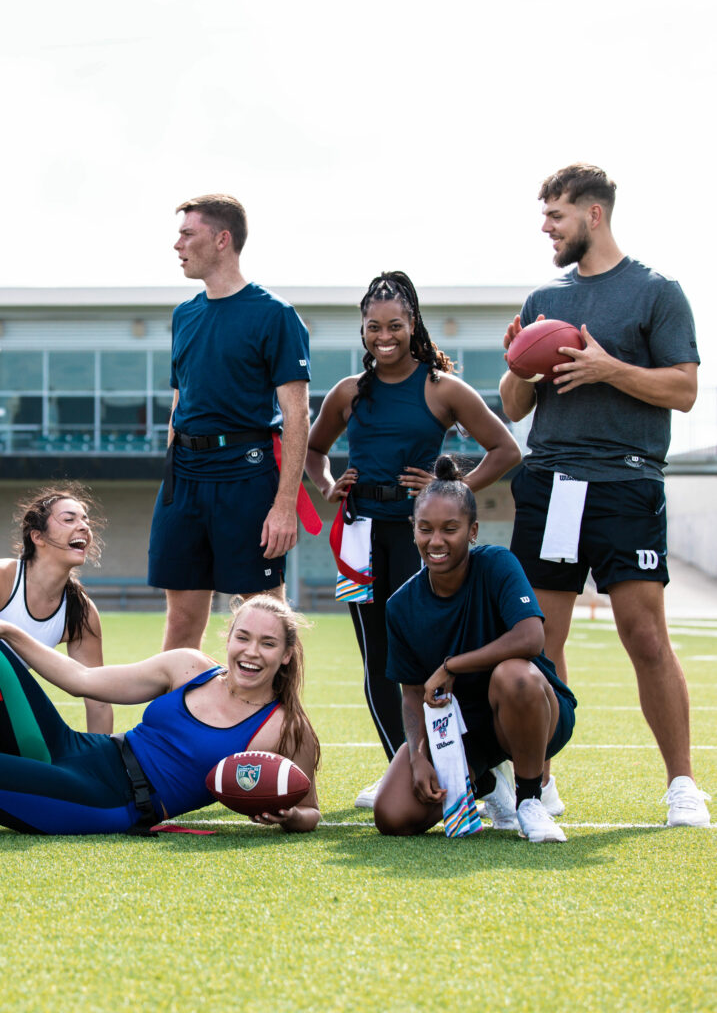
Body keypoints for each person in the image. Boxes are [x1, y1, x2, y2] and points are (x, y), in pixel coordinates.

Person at [499, 162, 710, 827]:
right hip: (552, 482)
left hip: (625, 480)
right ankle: (540, 784)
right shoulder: (542, 300)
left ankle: (681, 785)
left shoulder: (656, 292)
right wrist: (516, 363)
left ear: (592, 215)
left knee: (644, 636)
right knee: (540, 638)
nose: (545, 227)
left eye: (555, 216)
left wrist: (607, 368)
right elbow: (513, 405)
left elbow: (682, 390)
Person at [306, 272, 521, 808]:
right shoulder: (349, 392)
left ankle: (480, 773)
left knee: (432, 656)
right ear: (363, 331)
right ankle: (403, 770)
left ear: (412, 326)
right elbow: (312, 450)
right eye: (374, 327)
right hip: (360, 538)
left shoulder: (440, 386)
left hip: (420, 537)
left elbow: (505, 450)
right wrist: (330, 484)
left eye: (395, 326)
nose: (384, 336)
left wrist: (452, 489)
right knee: (379, 661)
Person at [372, 456, 576, 843]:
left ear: (472, 531)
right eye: (426, 529)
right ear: (412, 529)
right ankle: (484, 781)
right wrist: (417, 757)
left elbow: (531, 637)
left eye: (451, 529)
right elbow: (412, 693)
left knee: (513, 674)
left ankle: (529, 799)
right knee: (393, 815)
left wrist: (452, 666)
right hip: (465, 731)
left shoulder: (498, 564)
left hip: (534, 708)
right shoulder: (400, 605)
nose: (436, 541)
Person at [0, 594, 320, 834]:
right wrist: (9, 631)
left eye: (268, 643)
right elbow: (81, 680)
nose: (251, 652)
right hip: (80, 749)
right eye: (243, 637)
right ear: (230, 638)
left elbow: (311, 812)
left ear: (286, 654)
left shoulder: (286, 726)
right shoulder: (188, 666)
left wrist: (290, 817)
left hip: (110, 800)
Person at [148, 194, 313, 651]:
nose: (176, 244)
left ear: (222, 239)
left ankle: (283, 721)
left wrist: (284, 506)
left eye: (187, 234)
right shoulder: (185, 315)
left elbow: (297, 416)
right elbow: (179, 403)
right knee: (180, 623)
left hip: (246, 476)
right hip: (185, 480)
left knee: (266, 618)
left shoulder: (274, 314)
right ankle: (175, 723)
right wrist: (172, 475)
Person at [0, 484, 111, 734]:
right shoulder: (4, 577)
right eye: (69, 519)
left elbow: (99, 700)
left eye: (86, 520)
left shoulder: (81, 612)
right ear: (37, 536)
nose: (83, 526)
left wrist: (103, 765)